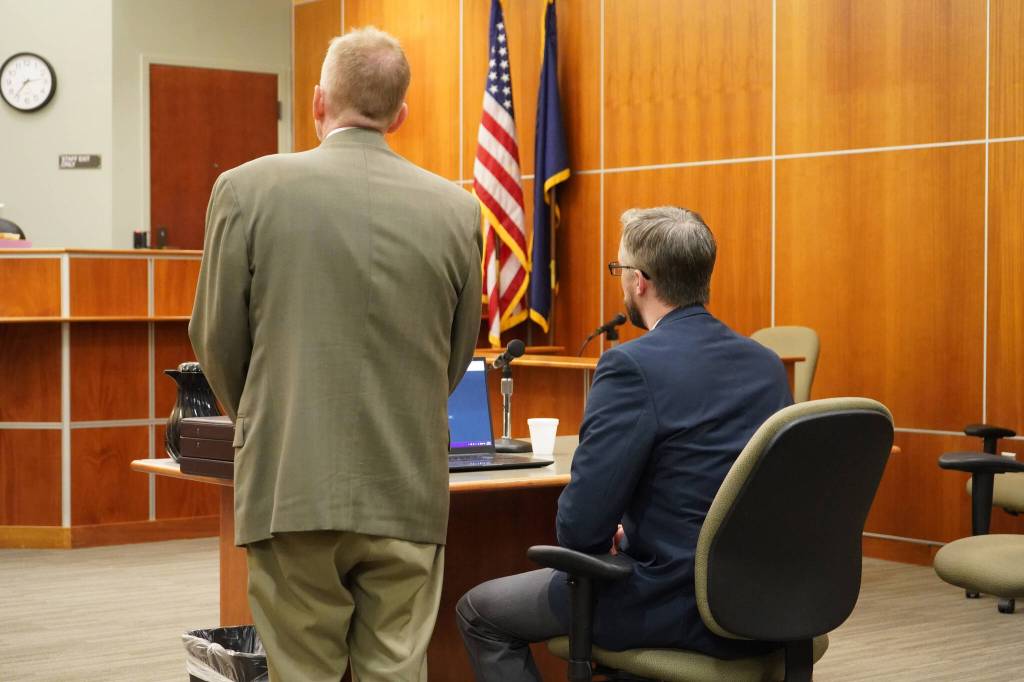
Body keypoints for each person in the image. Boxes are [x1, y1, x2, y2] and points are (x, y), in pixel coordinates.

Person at [190, 27, 482, 682]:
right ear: (400, 115)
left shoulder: (245, 190)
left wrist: (268, 417)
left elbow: (214, 339)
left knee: (303, 671)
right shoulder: (459, 212)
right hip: (407, 484)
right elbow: (456, 356)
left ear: (319, 103)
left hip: (289, 481)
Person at [456, 206, 793, 680]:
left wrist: (616, 536)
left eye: (618, 270)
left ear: (639, 280)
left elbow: (578, 530)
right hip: (768, 599)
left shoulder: (630, 367)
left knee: (480, 612)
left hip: (674, 602)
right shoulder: (765, 364)